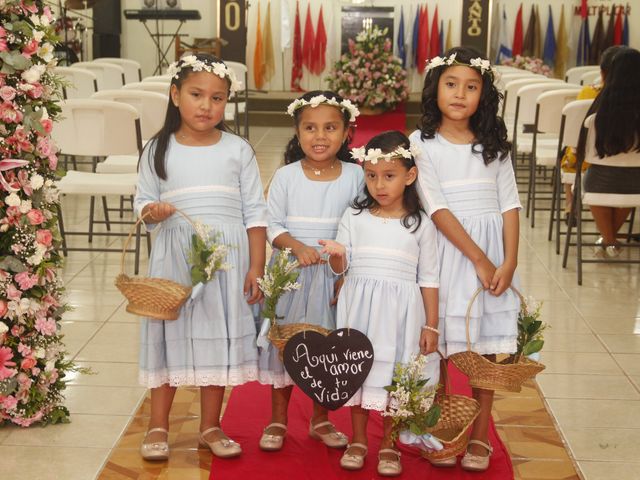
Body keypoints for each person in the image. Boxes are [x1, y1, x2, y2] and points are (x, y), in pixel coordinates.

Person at [133, 54, 267, 461]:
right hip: (176, 259)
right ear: (175, 95)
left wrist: (256, 267)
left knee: (216, 339)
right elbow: (143, 202)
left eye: (218, 98)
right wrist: (151, 212)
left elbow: (255, 212)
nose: (206, 106)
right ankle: (159, 424)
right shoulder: (157, 149)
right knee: (168, 336)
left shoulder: (237, 149)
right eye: (196, 95)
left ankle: (210, 425)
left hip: (226, 261)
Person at [409, 46, 521, 472]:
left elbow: (510, 204)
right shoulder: (422, 143)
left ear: (484, 94)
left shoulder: (494, 144)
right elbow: (435, 207)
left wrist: (507, 261)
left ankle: (479, 436)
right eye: (451, 84)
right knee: (441, 341)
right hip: (449, 250)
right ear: (435, 88)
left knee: (485, 348)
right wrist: (478, 258)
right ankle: (442, 427)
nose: (460, 94)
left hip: (492, 251)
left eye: (471, 87)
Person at [320, 131, 440, 477]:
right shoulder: (354, 218)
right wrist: (339, 255)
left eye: (389, 176)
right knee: (360, 372)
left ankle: (388, 443)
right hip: (360, 309)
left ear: (410, 176)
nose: (379, 185)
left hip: (402, 313)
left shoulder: (420, 225)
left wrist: (431, 324)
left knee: (394, 375)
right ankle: (359, 440)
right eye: (371, 176)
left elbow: (429, 278)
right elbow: (339, 269)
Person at [256, 91, 363, 452]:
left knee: (326, 349)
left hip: (333, 275)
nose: (320, 136)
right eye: (310, 128)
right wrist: (297, 247)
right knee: (284, 344)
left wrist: (345, 270)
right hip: (291, 275)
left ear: (347, 132)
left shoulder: (355, 176)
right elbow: (273, 226)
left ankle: (321, 419)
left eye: (330, 128)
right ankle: (277, 419)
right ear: (297, 132)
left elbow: (359, 226)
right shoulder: (286, 176)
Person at [578, 47, 640, 257]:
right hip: (637, 184)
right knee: (627, 188)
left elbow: (583, 152)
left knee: (596, 182)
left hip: (598, 183)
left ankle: (609, 239)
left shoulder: (597, 114)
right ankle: (610, 240)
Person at [561, 45, 628, 226]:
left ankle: (570, 204)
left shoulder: (588, 93)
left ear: (603, 71)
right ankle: (611, 235)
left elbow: (576, 134)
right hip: (629, 164)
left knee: (571, 151)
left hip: (590, 161)